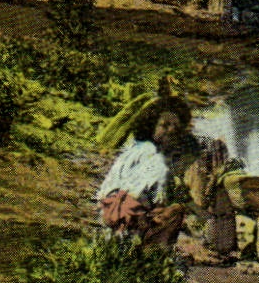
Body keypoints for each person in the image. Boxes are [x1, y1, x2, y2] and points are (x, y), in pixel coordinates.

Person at [96, 96, 238, 258]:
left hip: (123, 214)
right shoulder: (148, 155)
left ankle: (146, 250)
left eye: (175, 128)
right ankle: (150, 254)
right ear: (152, 127)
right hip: (124, 216)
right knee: (175, 212)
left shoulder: (146, 150)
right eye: (164, 125)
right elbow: (134, 196)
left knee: (175, 209)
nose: (171, 130)